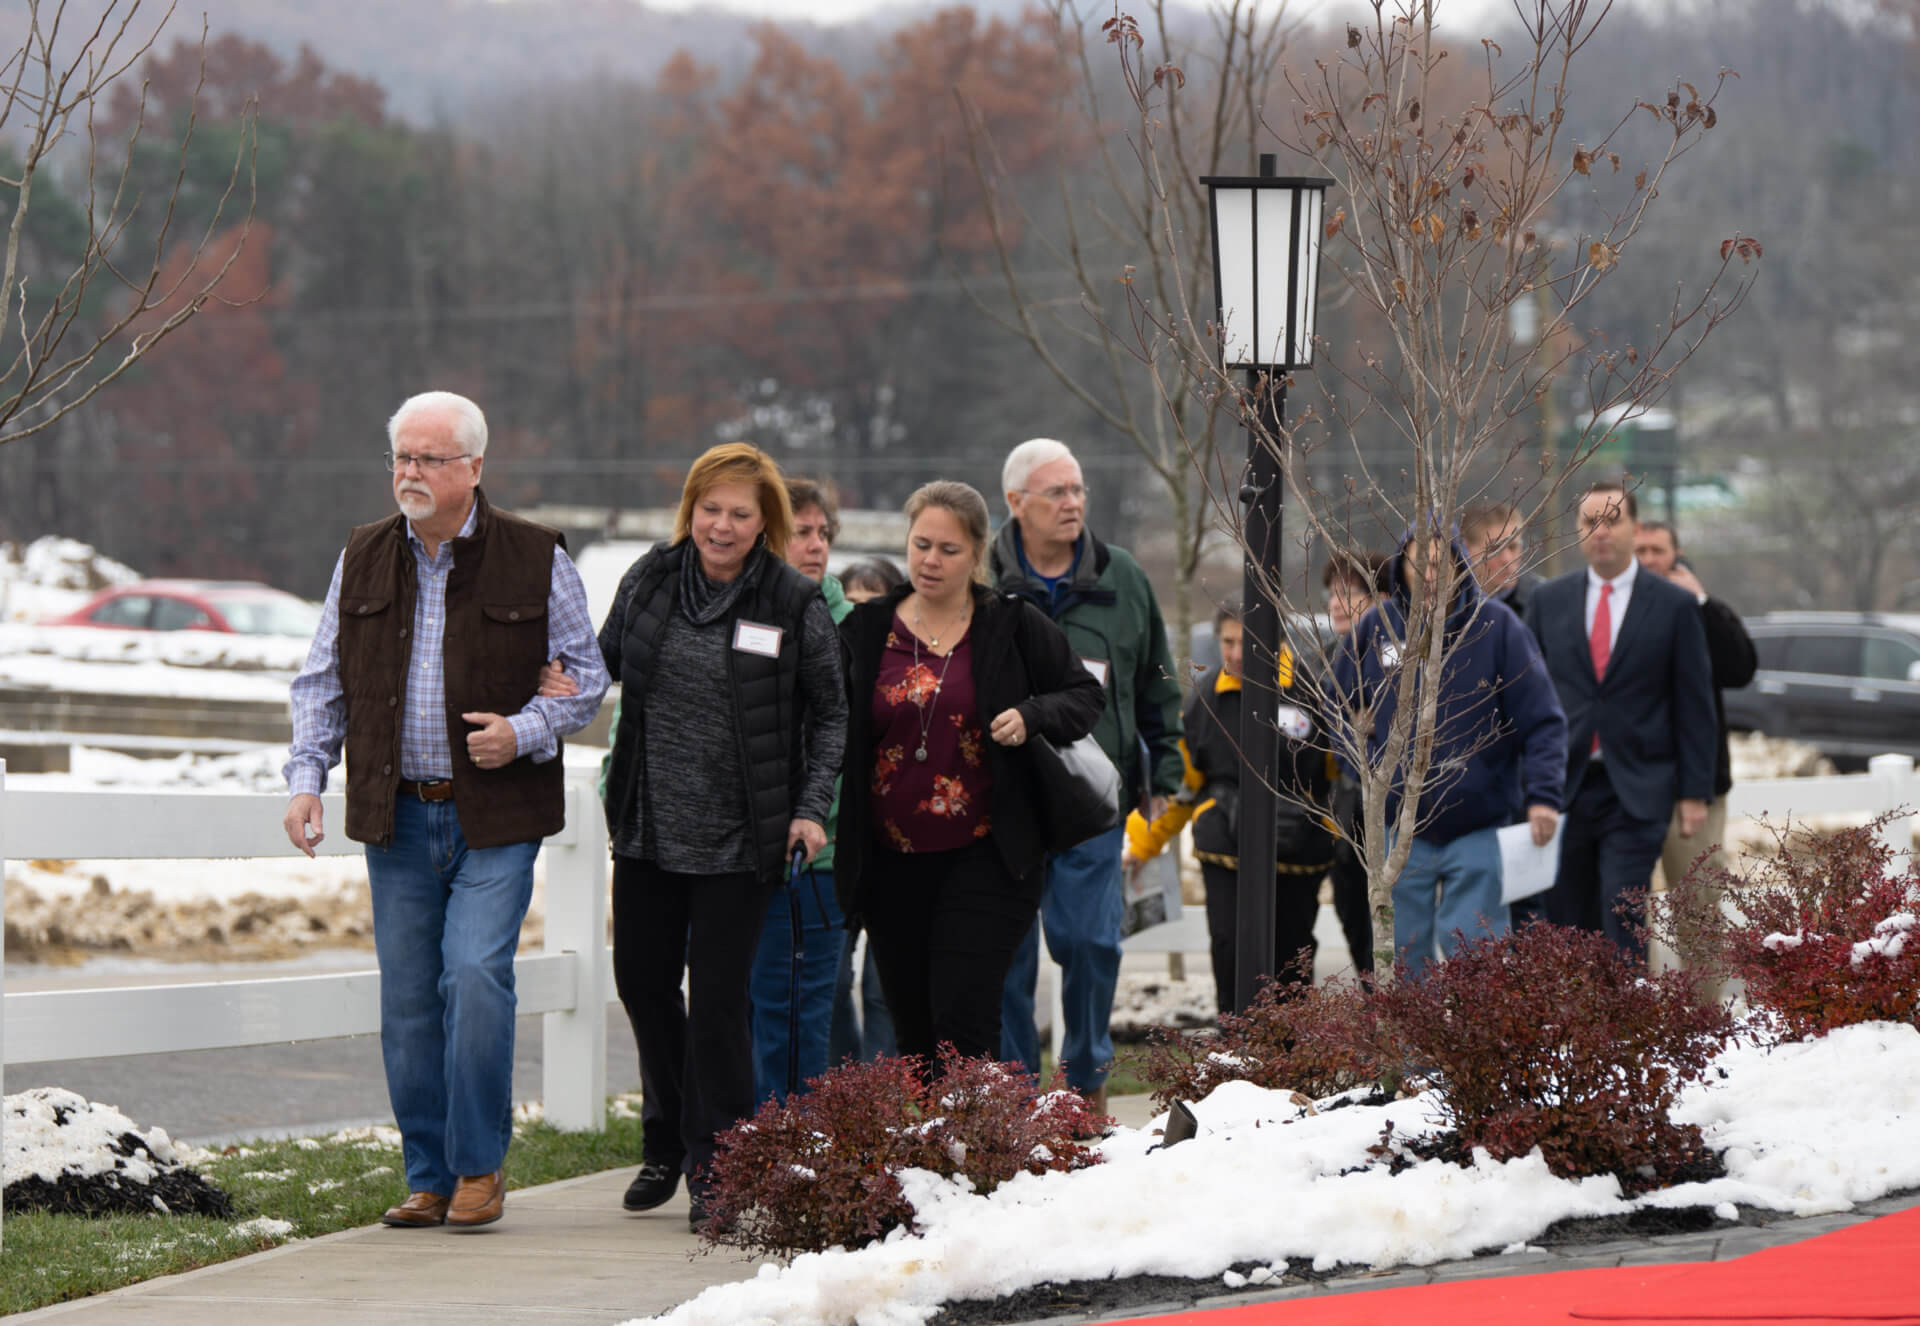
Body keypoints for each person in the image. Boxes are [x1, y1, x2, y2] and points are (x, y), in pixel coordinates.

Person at [282, 391, 610, 1231]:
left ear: (473, 469)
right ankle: (425, 1175)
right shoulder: (361, 555)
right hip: (395, 815)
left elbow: (588, 675)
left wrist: (525, 728)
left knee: (473, 975)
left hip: (494, 818)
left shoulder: (535, 556)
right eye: (401, 457)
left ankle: (477, 1168)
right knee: (408, 1001)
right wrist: (307, 776)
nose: (411, 473)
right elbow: (322, 679)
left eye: (430, 459)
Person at [596, 443, 847, 1230]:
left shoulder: (790, 601)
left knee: (718, 1010)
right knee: (641, 985)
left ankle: (722, 1165)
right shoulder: (649, 580)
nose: (723, 525)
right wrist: (549, 679)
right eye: (712, 509)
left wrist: (810, 807)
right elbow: (598, 661)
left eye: (741, 513)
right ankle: (669, 1134)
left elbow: (833, 713)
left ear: (764, 520)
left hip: (744, 840)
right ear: (691, 510)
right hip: (646, 826)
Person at [836, 481, 1104, 1076]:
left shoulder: (1011, 623)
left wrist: (1032, 715)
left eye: (948, 550)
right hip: (888, 863)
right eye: (921, 544)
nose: (930, 561)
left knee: (965, 1020)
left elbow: (1085, 696)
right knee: (912, 1027)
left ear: (977, 553)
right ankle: (935, 1160)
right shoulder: (864, 629)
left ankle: (974, 1155)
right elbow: (822, 716)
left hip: (986, 858)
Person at [993, 438, 1183, 1112]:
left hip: (1094, 798)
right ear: (1017, 504)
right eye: (1056, 493)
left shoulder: (1121, 576)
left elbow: (1157, 679)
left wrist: (1163, 768)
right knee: (1008, 958)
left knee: (1090, 941)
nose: (1073, 504)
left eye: (1078, 491)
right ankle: (1016, 1095)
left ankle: (1085, 1081)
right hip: (1004, 801)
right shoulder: (986, 578)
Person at [1331, 520, 1567, 979]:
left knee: (1473, 949)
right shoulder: (1375, 629)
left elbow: (1543, 722)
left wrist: (1544, 797)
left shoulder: (1499, 628)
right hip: (1401, 828)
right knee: (1404, 955)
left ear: (1461, 566)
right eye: (1421, 561)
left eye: (1443, 562)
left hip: (1479, 822)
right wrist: (1371, 769)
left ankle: (1473, 1051)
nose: (1432, 572)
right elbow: (1338, 708)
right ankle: (1413, 1052)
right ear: (1402, 568)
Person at [1527, 482, 1717, 958]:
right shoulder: (1550, 601)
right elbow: (1528, 697)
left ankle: (1626, 1025)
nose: (1600, 532)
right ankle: (1577, 1027)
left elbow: (1694, 702)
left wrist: (1694, 792)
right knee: (1567, 918)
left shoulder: (1672, 605)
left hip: (1637, 785)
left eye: (1611, 521)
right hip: (1564, 786)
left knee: (1622, 910)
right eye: (1590, 523)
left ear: (1634, 527)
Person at [1121, 602, 1334, 1013]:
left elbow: (1337, 778)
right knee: (1229, 949)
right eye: (1228, 642)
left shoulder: (1314, 696)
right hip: (1224, 850)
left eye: (1249, 643)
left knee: (1292, 960)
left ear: (1277, 642)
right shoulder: (1204, 704)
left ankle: (1293, 1063)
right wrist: (1140, 844)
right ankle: (1234, 1052)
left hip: (1298, 855)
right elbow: (1178, 789)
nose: (1236, 653)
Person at [746, 478, 854, 1104]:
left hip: (823, 852)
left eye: (822, 533)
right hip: (738, 852)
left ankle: (801, 1153)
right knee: (750, 1008)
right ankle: (746, 1151)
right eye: (800, 533)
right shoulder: (736, 615)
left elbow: (850, 738)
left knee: (811, 1009)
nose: (814, 546)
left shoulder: (855, 628)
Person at [1633, 519, 1758, 986]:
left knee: (1699, 906)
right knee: (1624, 911)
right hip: (1631, 782)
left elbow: (1740, 669)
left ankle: (1708, 1021)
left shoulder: (1698, 607)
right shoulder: (1618, 607)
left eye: (1657, 550)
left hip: (1697, 784)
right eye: (1640, 549)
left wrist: (1702, 602)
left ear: (1677, 554)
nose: (1648, 560)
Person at [827, 556, 904, 1067]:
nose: (860, 616)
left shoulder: (908, 679)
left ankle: (885, 1103)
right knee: (831, 983)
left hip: (897, 856)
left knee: (886, 991)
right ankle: (847, 1090)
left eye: (873, 605)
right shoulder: (824, 675)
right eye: (851, 604)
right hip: (837, 851)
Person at [1322, 553, 1391, 976]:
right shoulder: (1327, 658)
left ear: (1381, 598)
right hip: (1341, 810)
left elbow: (1385, 722)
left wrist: (1364, 725)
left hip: (1382, 805)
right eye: (1332, 595)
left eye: (1348, 595)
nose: (1336, 605)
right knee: (1349, 908)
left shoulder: (1389, 656)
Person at [1462, 500, 1543, 620]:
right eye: (1494, 549)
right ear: (1466, 550)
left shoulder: (1544, 601)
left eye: (1513, 546)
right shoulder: (1448, 605)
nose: (1507, 559)